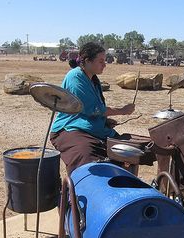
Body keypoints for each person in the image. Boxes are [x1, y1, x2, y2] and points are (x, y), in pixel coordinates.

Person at [50, 42, 135, 174]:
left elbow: (96, 111)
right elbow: (93, 109)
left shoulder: (93, 80)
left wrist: (104, 121)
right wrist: (123, 111)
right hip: (70, 128)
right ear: (87, 61)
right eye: (101, 61)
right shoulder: (75, 76)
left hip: (91, 128)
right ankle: (80, 190)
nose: (104, 64)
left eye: (104, 61)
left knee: (127, 151)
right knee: (86, 157)